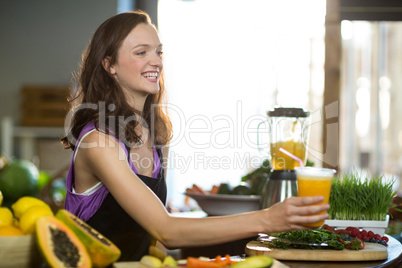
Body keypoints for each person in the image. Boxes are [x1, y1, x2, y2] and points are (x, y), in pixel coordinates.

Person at [61, 10, 330, 262]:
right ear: (109, 65)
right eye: (141, 52)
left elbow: (152, 238)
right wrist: (269, 219)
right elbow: (166, 229)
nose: (155, 61)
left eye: (158, 52)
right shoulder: (99, 140)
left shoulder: (151, 135)